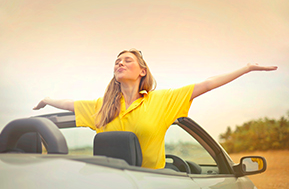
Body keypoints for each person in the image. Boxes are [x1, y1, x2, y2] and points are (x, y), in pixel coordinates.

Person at [33, 48, 277, 169]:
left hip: (153, 182)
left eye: (127, 60)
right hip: (109, 182)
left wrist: (245, 68)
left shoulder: (161, 100)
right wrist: (47, 98)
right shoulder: (102, 107)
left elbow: (207, 85)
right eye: (117, 61)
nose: (120, 62)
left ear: (142, 71)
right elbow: (69, 105)